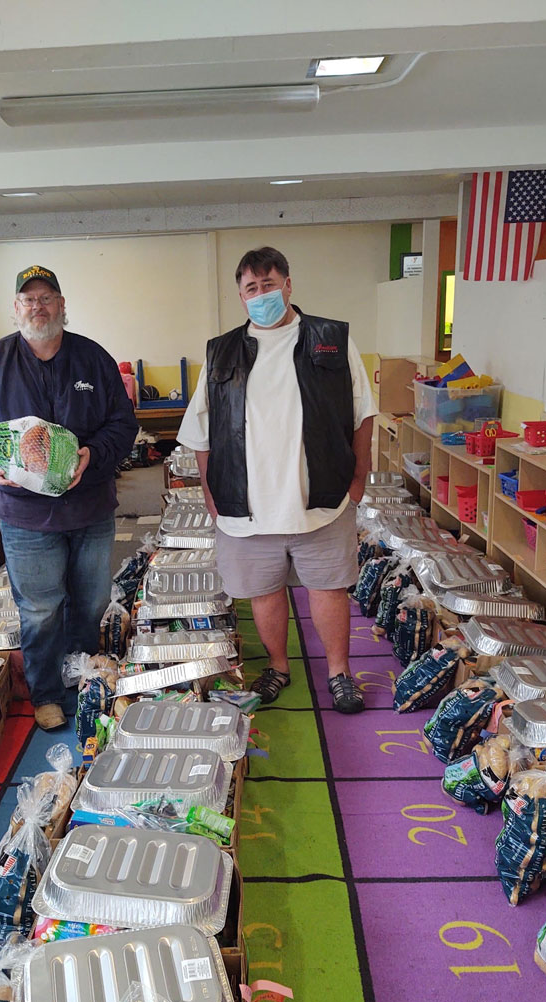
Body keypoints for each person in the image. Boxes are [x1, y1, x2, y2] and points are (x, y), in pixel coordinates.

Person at [177, 246, 376, 714]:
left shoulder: (331, 340)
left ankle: (339, 672)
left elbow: (363, 411)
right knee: (264, 592)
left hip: (322, 498)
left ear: (288, 284)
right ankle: (278, 666)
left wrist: (358, 478)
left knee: (328, 588)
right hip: (246, 504)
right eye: (251, 288)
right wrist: (210, 493)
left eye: (268, 284)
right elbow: (201, 431)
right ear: (240, 296)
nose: (261, 294)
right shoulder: (222, 351)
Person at [0, 265, 138, 730]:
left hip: (89, 508)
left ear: (61, 305)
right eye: (29, 299)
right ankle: (47, 693)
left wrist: (92, 456)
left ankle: (80, 676)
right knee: (39, 609)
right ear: (16, 308)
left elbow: (123, 423)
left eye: (46, 297)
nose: (38, 306)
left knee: (91, 602)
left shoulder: (92, 358)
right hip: (25, 516)